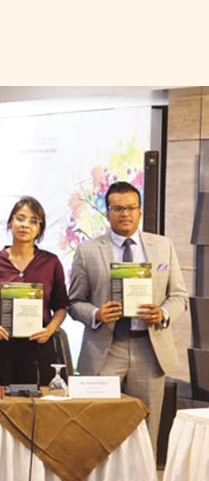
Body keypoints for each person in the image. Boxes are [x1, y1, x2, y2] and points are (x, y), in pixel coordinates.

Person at [68, 181, 187, 451]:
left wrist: (163, 313)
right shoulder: (88, 251)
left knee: (146, 433)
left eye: (131, 208)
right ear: (107, 212)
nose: (125, 214)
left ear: (140, 212)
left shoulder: (163, 246)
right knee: (97, 428)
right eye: (118, 208)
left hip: (150, 348)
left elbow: (180, 296)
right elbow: (74, 302)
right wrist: (96, 313)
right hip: (105, 349)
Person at [0, 196, 69, 386]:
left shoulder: (51, 263)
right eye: (20, 218)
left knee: (37, 410)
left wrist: (49, 331)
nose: (25, 225)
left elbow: (61, 306)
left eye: (34, 221)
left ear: (40, 228)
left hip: (39, 349)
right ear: (10, 222)